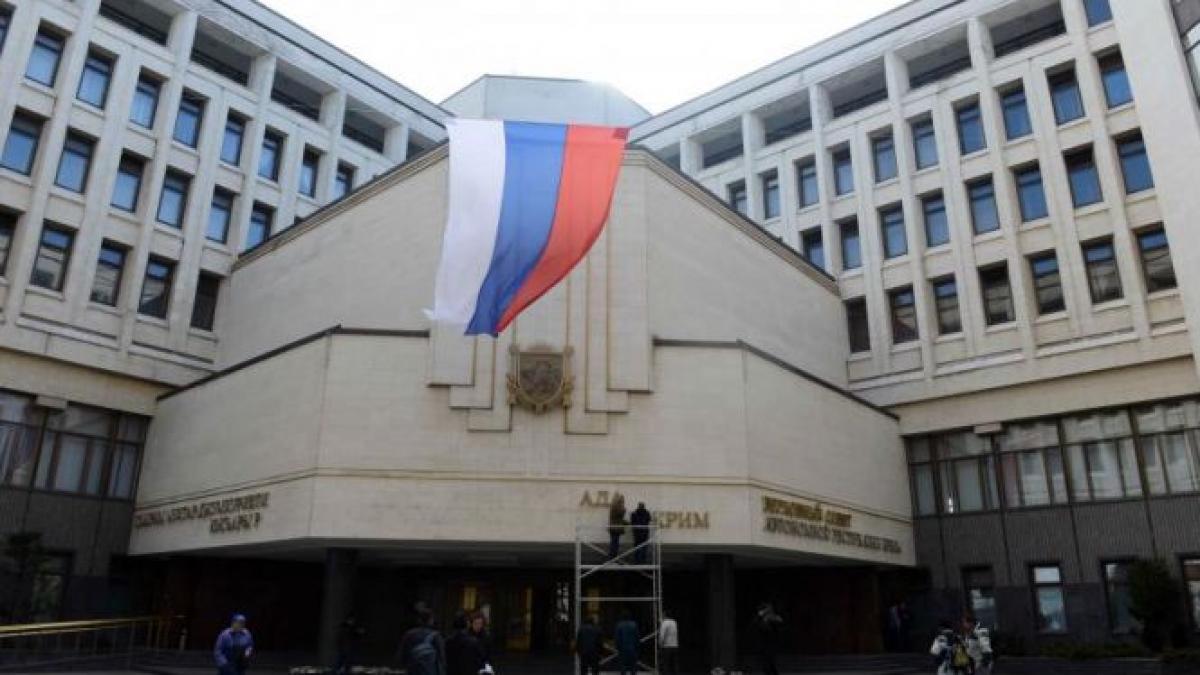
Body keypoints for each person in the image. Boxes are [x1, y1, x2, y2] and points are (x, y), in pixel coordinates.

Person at [399, 603, 446, 675]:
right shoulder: (436, 636)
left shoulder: (409, 634)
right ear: (431, 621)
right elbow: (441, 658)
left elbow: (401, 656)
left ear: (419, 620)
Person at [755, 603, 782, 675]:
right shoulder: (760, 620)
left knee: (770, 663)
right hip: (763, 645)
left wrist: (773, 619)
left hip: (771, 644)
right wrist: (760, 616)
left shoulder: (774, 619)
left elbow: (779, 624)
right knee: (767, 664)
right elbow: (756, 626)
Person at [614, 610, 640, 675]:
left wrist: (617, 647)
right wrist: (637, 648)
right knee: (633, 667)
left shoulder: (619, 625)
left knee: (623, 667)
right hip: (632, 649)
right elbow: (637, 637)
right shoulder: (634, 625)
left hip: (622, 649)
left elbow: (617, 638)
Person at [608, 493, 628, 560]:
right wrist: (624, 509)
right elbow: (619, 515)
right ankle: (612, 558)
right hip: (615, 528)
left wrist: (626, 523)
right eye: (622, 500)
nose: (623, 502)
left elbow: (618, 518)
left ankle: (613, 557)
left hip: (614, 527)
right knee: (614, 543)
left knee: (614, 543)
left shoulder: (615, 506)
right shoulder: (616, 506)